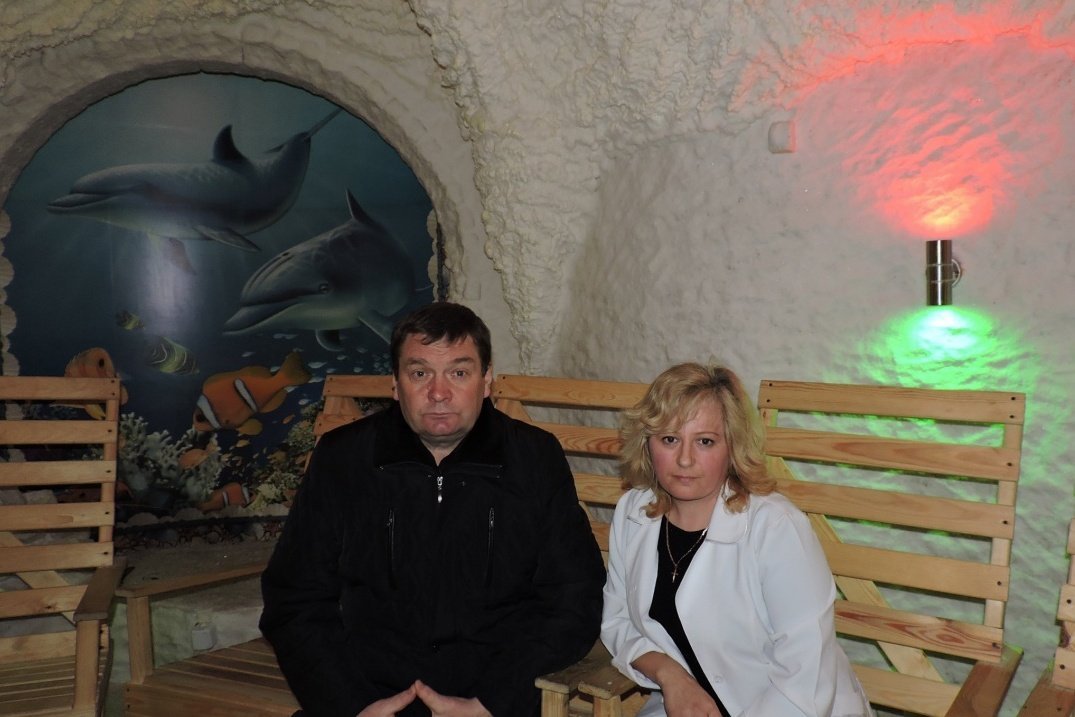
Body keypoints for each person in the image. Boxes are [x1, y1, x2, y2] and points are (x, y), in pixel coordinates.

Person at [260, 302, 606, 717]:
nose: (439, 393)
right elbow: (294, 598)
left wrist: (495, 702)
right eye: (420, 373)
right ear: (395, 383)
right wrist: (351, 705)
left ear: (486, 380)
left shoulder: (533, 458)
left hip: (495, 701)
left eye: (458, 373)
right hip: (369, 696)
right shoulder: (344, 458)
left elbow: (574, 598)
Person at [601, 363, 873, 717]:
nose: (684, 459)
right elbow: (618, 622)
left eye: (705, 441)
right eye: (670, 439)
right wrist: (669, 675)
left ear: (733, 446)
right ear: (647, 444)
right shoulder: (634, 512)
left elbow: (804, 682)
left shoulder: (776, 528)